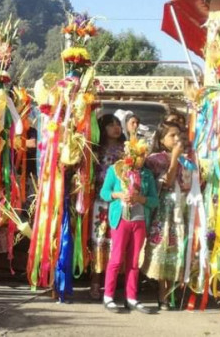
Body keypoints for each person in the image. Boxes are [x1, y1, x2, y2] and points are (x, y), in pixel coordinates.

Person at [100, 138, 159, 314]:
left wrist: (141, 199)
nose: (142, 158)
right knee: (117, 258)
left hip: (139, 220)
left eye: (144, 155)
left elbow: (154, 200)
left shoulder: (147, 174)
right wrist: (118, 194)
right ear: (130, 155)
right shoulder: (115, 170)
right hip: (121, 219)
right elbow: (104, 192)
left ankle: (131, 297)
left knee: (134, 261)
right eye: (139, 155)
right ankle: (108, 296)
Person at [142, 121, 191, 310]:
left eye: (179, 135)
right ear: (162, 140)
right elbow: (167, 182)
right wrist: (174, 159)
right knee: (164, 249)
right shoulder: (156, 159)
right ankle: (162, 295)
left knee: (179, 249)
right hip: (164, 212)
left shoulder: (187, 159)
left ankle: (174, 292)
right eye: (172, 135)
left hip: (182, 208)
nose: (177, 139)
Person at [89, 114, 126, 300]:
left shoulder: (127, 150)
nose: (116, 127)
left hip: (121, 203)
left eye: (118, 124)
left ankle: (113, 284)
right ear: (102, 129)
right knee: (99, 239)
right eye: (111, 125)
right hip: (101, 202)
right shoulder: (97, 150)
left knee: (117, 241)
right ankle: (95, 281)